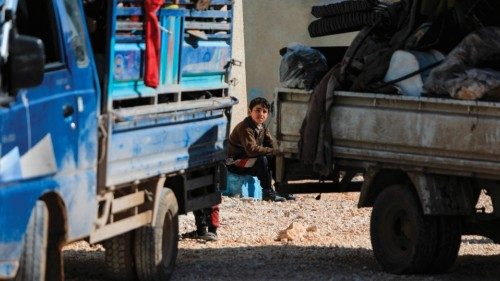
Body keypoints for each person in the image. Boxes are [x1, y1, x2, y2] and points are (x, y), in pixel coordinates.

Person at [226, 97, 295, 202]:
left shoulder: (261, 126)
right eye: (257, 110)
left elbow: (271, 144)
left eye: (264, 111)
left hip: (248, 160)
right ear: (249, 112)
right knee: (262, 159)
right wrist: (273, 151)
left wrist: (279, 151)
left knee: (276, 157)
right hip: (235, 163)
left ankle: (282, 189)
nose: (261, 114)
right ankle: (267, 193)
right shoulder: (245, 127)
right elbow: (252, 150)